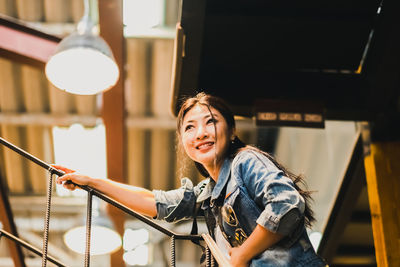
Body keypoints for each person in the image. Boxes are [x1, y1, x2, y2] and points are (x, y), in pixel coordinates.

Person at [54, 92, 326, 267]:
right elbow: (154, 202)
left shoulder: (246, 160)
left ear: (231, 131)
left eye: (211, 122)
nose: (200, 133)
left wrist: (241, 255)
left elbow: (287, 205)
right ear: (184, 142)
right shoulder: (208, 194)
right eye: (190, 127)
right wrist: (92, 182)